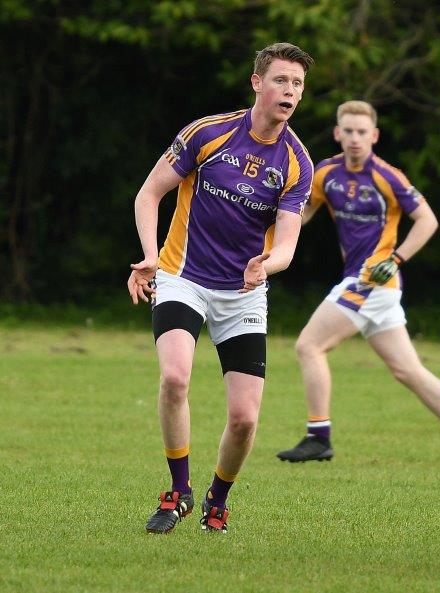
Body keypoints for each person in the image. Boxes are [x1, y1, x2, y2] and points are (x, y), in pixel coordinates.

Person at [127, 42, 315, 534]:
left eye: (296, 83)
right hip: (181, 276)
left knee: (245, 419)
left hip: (243, 292)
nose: (289, 90)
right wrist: (149, 255)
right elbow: (149, 194)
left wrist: (266, 267)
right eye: (280, 80)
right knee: (174, 379)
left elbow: (288, 246)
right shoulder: (208, 133)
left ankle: (217, 498)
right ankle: (179, 491)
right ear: (257, 82)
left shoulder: (297, 162)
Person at [275, 100, 440, 470]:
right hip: (371, 287)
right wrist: (276, 240)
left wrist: (395, 259)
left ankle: (318, 437)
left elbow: (427, 220)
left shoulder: (387, 176)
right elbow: (304, 210)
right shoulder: (325, 172)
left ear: (374, 136)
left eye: (362, 132)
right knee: (407, 370)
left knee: (309, 346)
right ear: (337, 133)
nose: (355, 139)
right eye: (349, 131)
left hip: (371, 280)